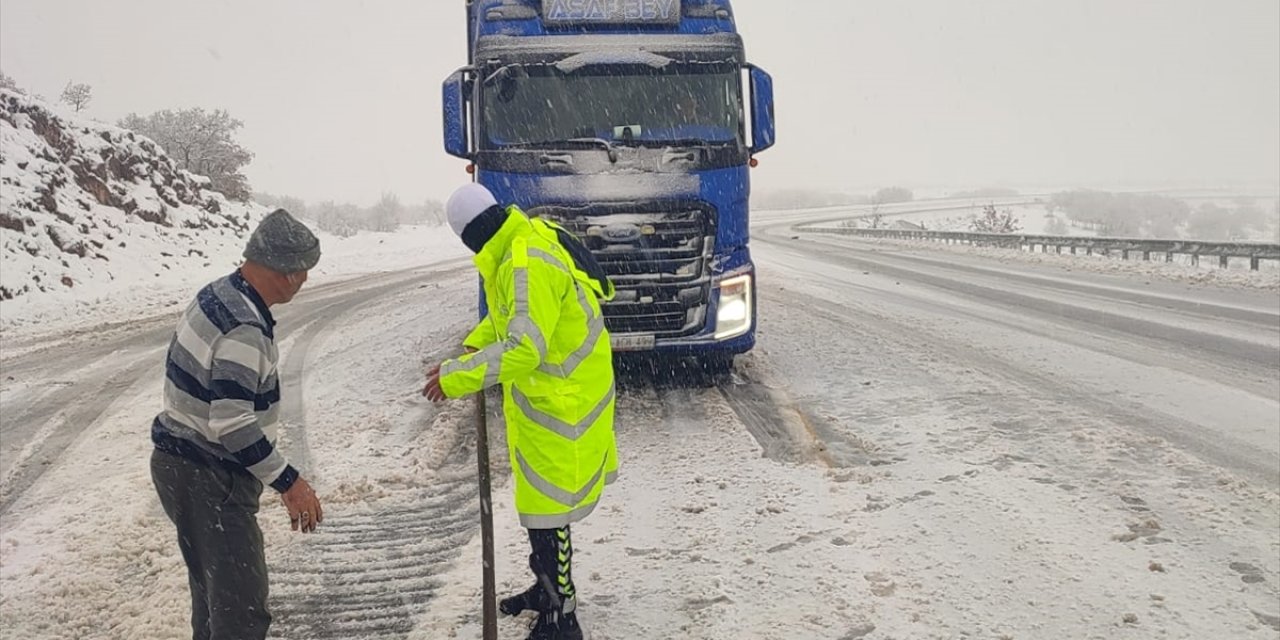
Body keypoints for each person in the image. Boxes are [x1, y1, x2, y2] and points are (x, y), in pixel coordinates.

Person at [424, 183, 618, 640]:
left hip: (564, 399)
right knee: (539, 506)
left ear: (470, 235)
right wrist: (476, 342)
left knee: (549, 510)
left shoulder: (522, 261)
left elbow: (524, 346)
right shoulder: (522, 240)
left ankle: (561, 614)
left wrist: (458, 376)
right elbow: (515, 316)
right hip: (557, 392)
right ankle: (546, 586)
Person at [150, 208, 325, 640]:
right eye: (304, 270)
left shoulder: (219, 294)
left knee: (214, 603)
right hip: (210, 478)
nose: (305, 280)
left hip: (180, 466)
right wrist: (290, 482)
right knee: (241, 613)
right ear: (287, 273)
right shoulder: (244, 326)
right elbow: (232, 422)